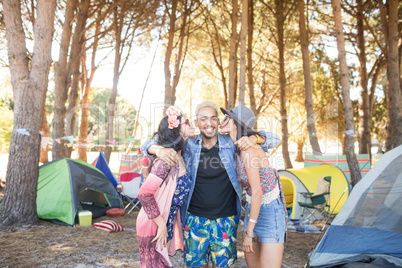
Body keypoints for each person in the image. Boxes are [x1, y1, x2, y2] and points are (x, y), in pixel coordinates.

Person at [141, 101, 281, 268]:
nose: (209, 123)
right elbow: (149, 142)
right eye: (203, 119)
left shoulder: (232, 143)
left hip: (226, 221)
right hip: (194, 220)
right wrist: (158, 150)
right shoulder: (189, 145)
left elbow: (275, 139)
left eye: (213, 118)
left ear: (218, 122)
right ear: (196, 123)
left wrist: (255, 137)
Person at [220, 105, 287, 268]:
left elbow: (257, 192)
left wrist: (249, 231)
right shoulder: (235, 147)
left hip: (270, 213)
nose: (222, 121)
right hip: (252, 209)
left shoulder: (249, 149)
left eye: (226, 118)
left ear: (236, 123)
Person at [136, 105, 195, 267]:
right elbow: (144, 194)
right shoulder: (166, 159)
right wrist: (162, 225)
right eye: (187, 122)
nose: (192, 125)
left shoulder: (182, 155)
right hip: (154, 223)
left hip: (167, 222)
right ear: (176, 131)